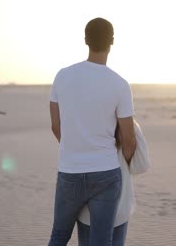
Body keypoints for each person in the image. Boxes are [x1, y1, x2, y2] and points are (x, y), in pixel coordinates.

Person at [48, 17, 136, 246]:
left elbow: (56, 126)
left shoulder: (62, 76)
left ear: (86, 40)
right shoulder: (120, 84)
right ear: (112, 42)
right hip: (106, 172)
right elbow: (129, 139)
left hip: (69, 171)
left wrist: (75, 148)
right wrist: (122, 161)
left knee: (58, 236)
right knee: (101, 241)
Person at [77, 120, 148, 246]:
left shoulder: (82, 120)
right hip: (119, 207)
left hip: (86, 208)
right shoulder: (127, 123)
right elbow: (141, 166)